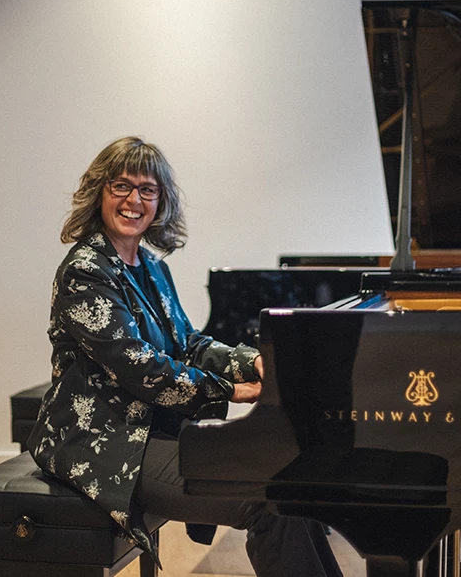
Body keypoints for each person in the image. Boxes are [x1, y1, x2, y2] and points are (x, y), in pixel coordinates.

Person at [28, 136, 343, 577]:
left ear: (161, 201)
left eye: (147, 189)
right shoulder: (85, 270)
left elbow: (189, 344)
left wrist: (252, 361)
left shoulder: (152, 267)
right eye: (121, 186)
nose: (134, 200)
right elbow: (138, 365)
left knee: (294, 486)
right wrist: (231, 390)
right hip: (108, 443)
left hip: (158, 431)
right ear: (99, 192)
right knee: (268, 503)